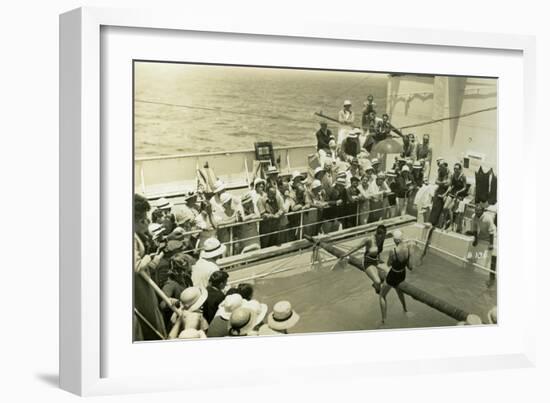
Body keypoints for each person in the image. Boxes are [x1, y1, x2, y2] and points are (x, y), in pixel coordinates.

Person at [134, 194, 167, 341]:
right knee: (149, 314)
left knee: (152, 312)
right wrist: (147, 257)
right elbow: (136, 266)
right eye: (141, 217)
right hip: (138, 285)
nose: (145, 220)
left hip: (142, 281)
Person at [337, 224, 388, 293]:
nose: (383, 238)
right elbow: (356, 247)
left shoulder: (382, 238)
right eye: (382, 236)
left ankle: (377, 284)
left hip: (376, 261)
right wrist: (345, 254)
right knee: (378, 281)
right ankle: (377, 290)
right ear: (378, 234)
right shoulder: (369, 240)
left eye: (384, 236)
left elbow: (378, 251)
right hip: (368, 263)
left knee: (390, 273)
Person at [379, 230, 413, 324]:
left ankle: (383, 320)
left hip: (393, 276)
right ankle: (405, 310)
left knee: (382, 296)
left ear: (395, 240)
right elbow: (410, 267)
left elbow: (389, 264)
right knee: (399, 291)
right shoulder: (408, 247)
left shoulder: (393, 250)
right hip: (402, 275)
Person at [466, 204, 497, 285]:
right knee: (475, 248)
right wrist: (475, 239)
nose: (476, 212)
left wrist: (491, 244)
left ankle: (492, 277)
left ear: (482, 211)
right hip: (482, 234)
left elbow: (491, 232)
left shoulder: (488, 218)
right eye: (475, 210)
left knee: (492, 253)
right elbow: (475, 229)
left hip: (492, 235)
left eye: (478, 210)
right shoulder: (474, 216)